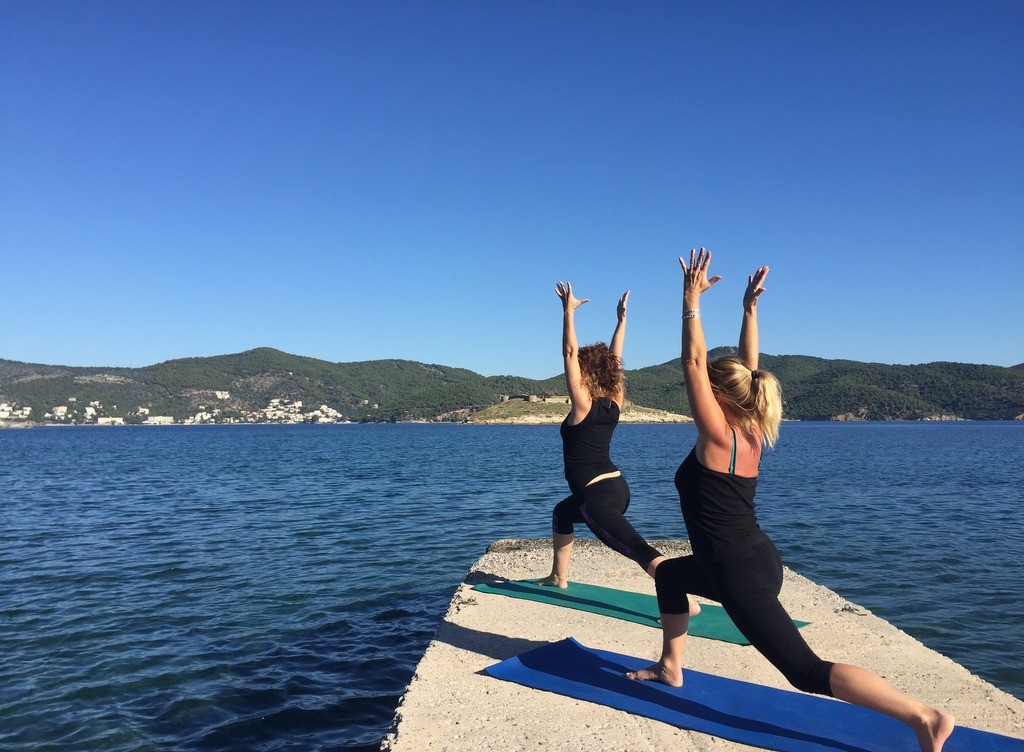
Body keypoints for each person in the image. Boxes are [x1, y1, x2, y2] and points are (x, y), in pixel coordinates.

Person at [627, 249, 954, 752]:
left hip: (739, 572)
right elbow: (747, 367)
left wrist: (690, 301)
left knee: (803, 672)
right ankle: (672, 666)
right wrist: (749, 310)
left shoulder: (717, 434)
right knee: (670, 574)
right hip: (754, 557)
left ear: (719, 396)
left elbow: (695, 361)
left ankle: (924, 717)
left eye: (709, 388)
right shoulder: (750, 426)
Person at [535, 281, 672, 590]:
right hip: (614, 488)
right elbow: (616, 360)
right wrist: (621, 321)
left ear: (585, 375)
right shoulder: (614, 403)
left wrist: (568, 313)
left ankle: (682, 598)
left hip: (598, 499)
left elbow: (570, 352)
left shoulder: (583, 407)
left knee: (639, 550)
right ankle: (559, 576)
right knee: (561, 513)